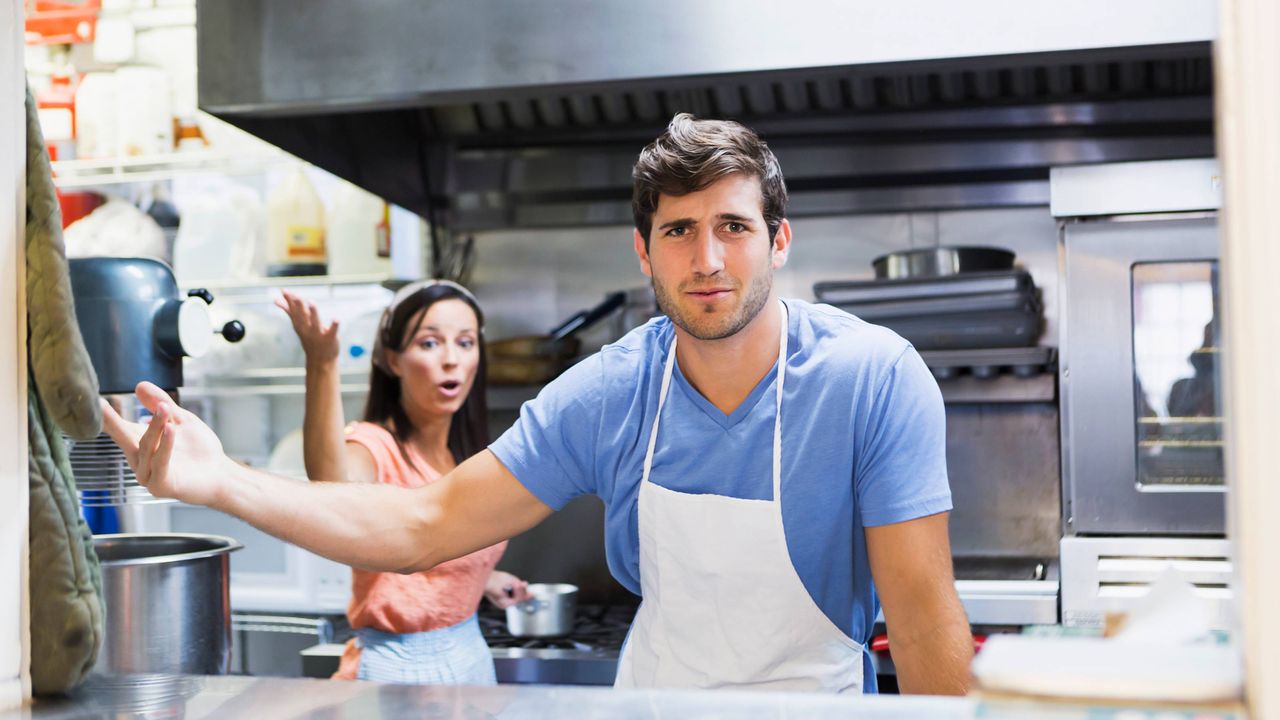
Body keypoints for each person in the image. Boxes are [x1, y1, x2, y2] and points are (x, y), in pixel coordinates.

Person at [103, 113, 973, 695]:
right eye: (678, 231)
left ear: (778, 241)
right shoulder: (615, 390)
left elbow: (924, 620)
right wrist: (220, 483)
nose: (707, 258)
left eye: (734, 227)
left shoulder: (872, 378)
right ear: (644, 252)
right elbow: (424, 525)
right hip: (657, 707)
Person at [273, 281, 530, 684]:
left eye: (465, 343)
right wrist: (322, 363)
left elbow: (437, 554)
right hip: (396, 669)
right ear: (393, 361)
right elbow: (330, 489)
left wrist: (482, 579)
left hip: (471, 656)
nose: (451, 360)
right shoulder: (374, 446)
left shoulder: (465, 457)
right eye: (429, 344)